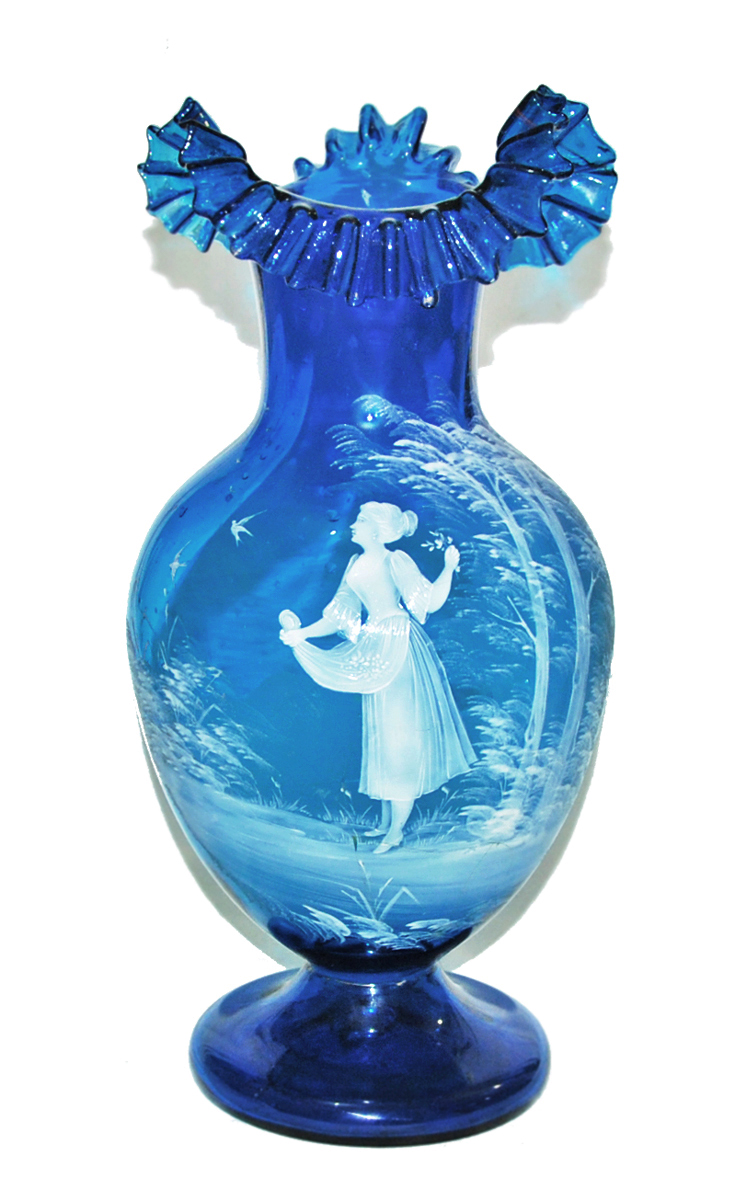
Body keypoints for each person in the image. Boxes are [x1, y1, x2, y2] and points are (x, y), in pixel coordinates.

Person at [279, 502, 476, 852]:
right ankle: (386, 823)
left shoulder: (395, 559)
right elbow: (340, 616)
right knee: (382, 733)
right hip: (374, 647)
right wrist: (303, 633)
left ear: (377, 529)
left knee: (399, 734)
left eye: (361, 520)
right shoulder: (355, 563)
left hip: (398, 645)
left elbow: (429, 601)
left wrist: (448, 568)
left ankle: (396, 831)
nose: (353, 525)